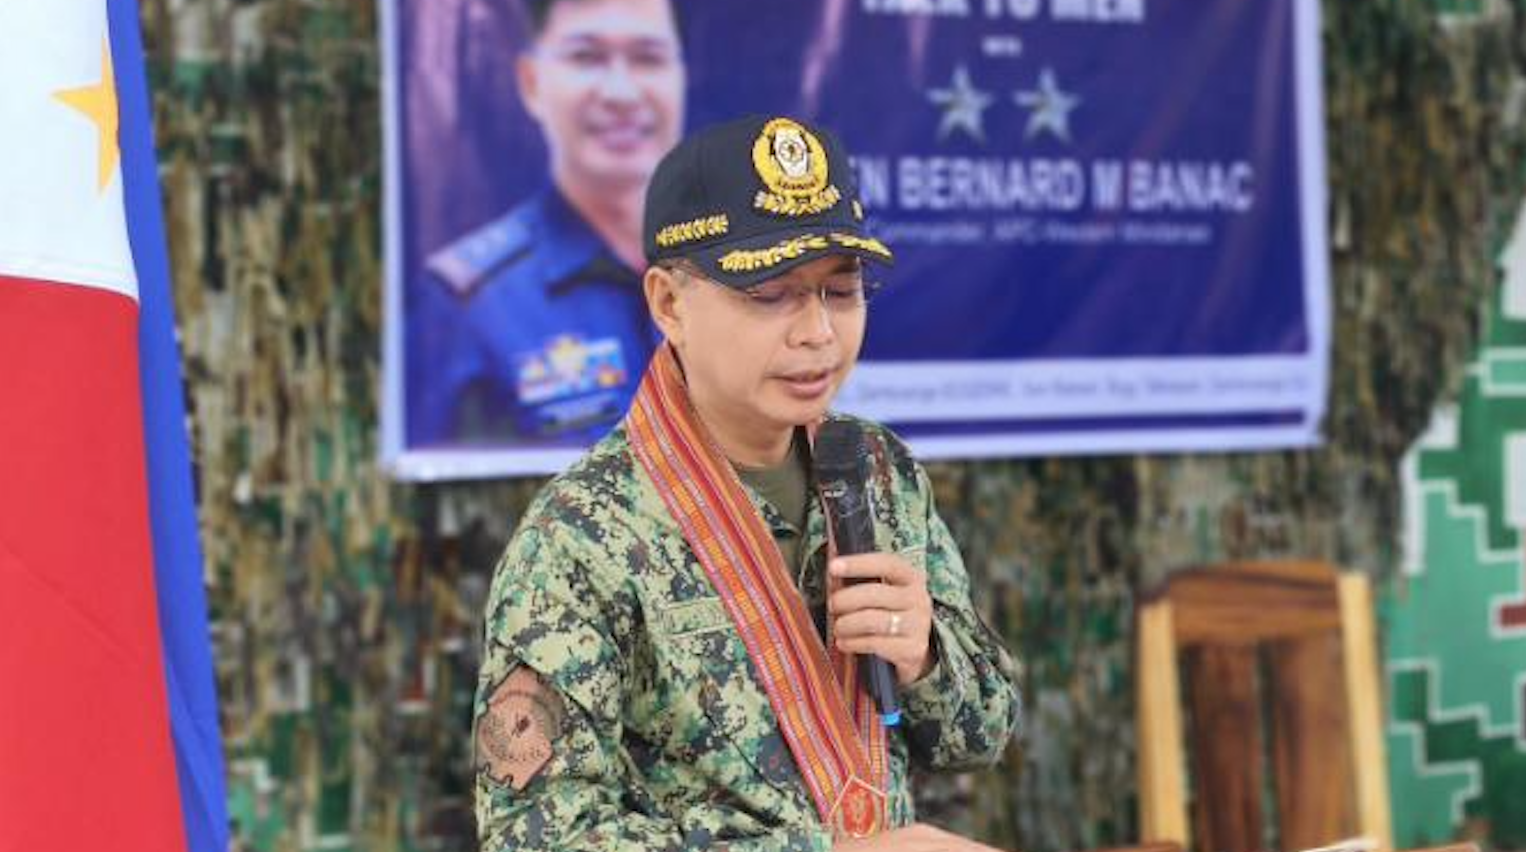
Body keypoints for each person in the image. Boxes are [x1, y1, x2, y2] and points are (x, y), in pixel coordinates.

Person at [472, 115, 1022, 850]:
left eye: (841, 291)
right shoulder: (579, 535)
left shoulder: (877, 470)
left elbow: (982, 734)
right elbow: (533, 835)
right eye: (770, 294)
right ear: (669, 304)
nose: (818, 333)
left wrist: (923, 656)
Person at [411, 0, 685, 445]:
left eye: (648, 58)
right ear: (531, 83)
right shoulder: (470, 303)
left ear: (680, 77)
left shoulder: (737, 276)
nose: (621, 92)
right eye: (586, 57)